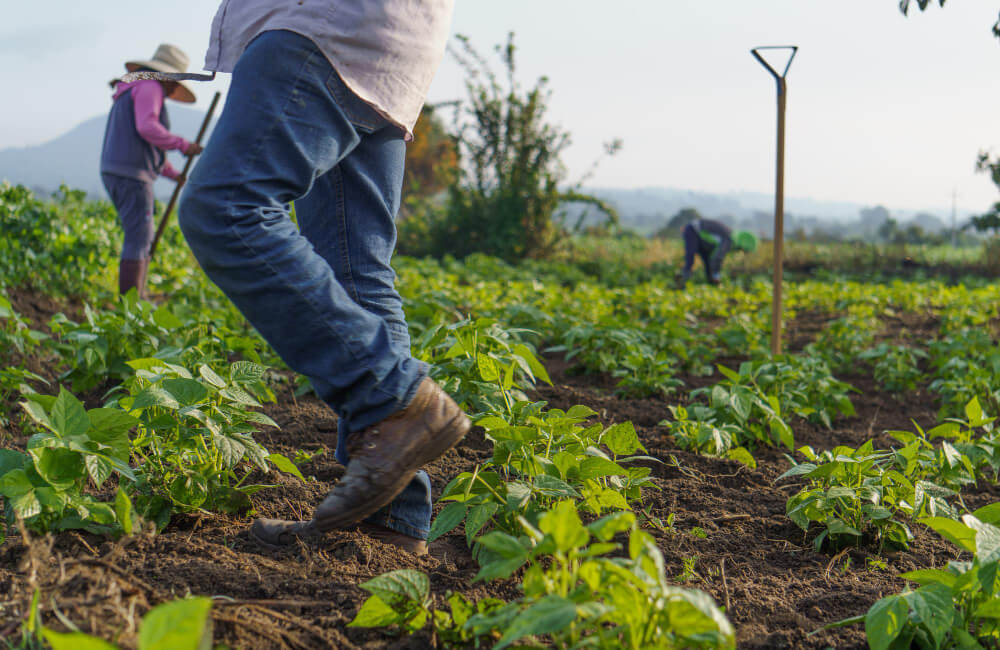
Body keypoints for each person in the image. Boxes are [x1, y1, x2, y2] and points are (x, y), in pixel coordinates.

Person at [176, 3, 468, 556]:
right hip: (392, 43)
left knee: (225, 206)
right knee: (356, 267)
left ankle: (390, 399)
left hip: (318, 26)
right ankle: (391, 523)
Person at [100, 44, 203, 297]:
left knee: (139, 236)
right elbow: (147, 127)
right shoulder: (150, 87)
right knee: (139, 238)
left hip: (117, 170)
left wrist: (173, 174)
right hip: (131, 175)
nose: (173, 90)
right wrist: (183, 145)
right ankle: (132, 309)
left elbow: (147, 146)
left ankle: (136, 301)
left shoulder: (133, 89)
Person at [678, 218, 758, 287]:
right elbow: (718, 258)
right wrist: (716, 275)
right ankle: (683, 283)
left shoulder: (730, 237)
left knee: (708, 261)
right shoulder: (729, 239)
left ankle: (710, 283)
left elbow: (714, 256)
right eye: (743, 250)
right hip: (693, 230)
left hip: (701, 237)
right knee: (690, 258)